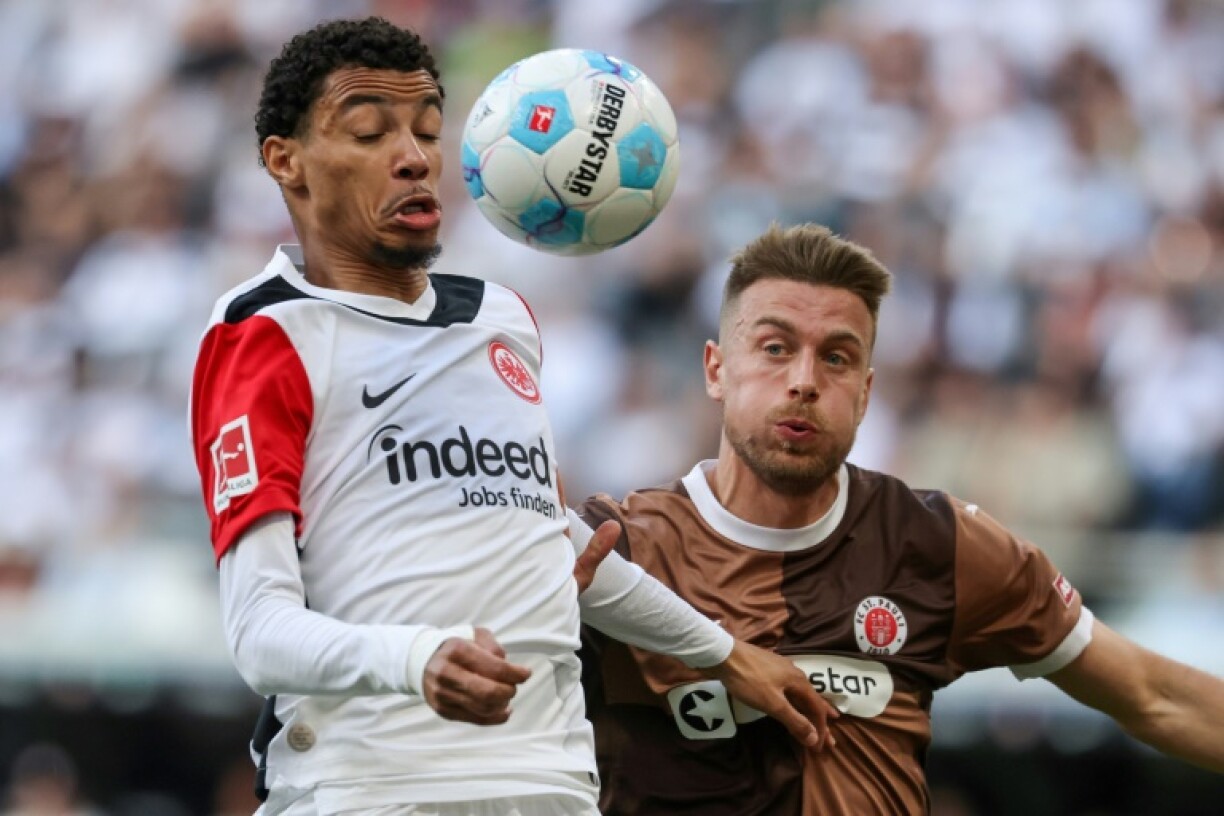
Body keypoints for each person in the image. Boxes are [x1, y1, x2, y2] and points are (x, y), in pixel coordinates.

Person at [187, 17, 836, 816]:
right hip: (372, 789)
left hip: (550, 782)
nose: (415, 155)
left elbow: (544, 538)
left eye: (428, 128)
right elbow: (260, 632)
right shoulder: (267, 333)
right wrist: (417, 658)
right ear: (286, 162)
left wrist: (722, 651)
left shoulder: (501, 320)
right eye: (368, 131)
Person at [576, 222, 1224, 814]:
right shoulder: (615, 549)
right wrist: (470, 674)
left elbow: (1152, 695)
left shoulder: (938, 544)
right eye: (775, 347)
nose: (804, 380)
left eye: (836, 357)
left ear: (865, 392)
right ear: (717, 369)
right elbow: (489, 675)